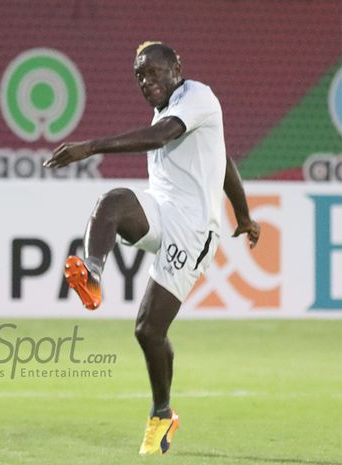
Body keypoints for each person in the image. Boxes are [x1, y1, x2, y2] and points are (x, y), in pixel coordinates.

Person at [43, 41, 261, 456]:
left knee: (147, 330)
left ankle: (163, 413)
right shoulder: (168, 111)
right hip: (160, 211)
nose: (147, 81)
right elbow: (224, 160)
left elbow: (164, 138)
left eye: (154, 71)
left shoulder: (197, 96)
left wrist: (90, 146)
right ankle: (91, 273)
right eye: (140, 76)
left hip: (193, 232)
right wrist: (246, 215)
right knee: (113, 202)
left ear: (176, 67)